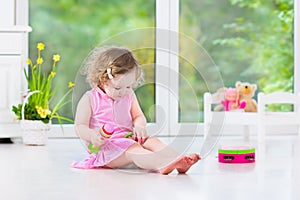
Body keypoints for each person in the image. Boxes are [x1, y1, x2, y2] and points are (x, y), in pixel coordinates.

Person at [72, 46, 200, 175]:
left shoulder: (129, 95)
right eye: (117, 88)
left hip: (128, 138)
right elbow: (79, 126)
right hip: (105, 147)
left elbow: (138, 116)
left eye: (129, 86)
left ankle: (179, 159)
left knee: (151, 141)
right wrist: (91, 135)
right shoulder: (90, 98)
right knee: (134, 149)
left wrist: (139, 126)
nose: (123, 92)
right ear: (102, 79)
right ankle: (161, 164)